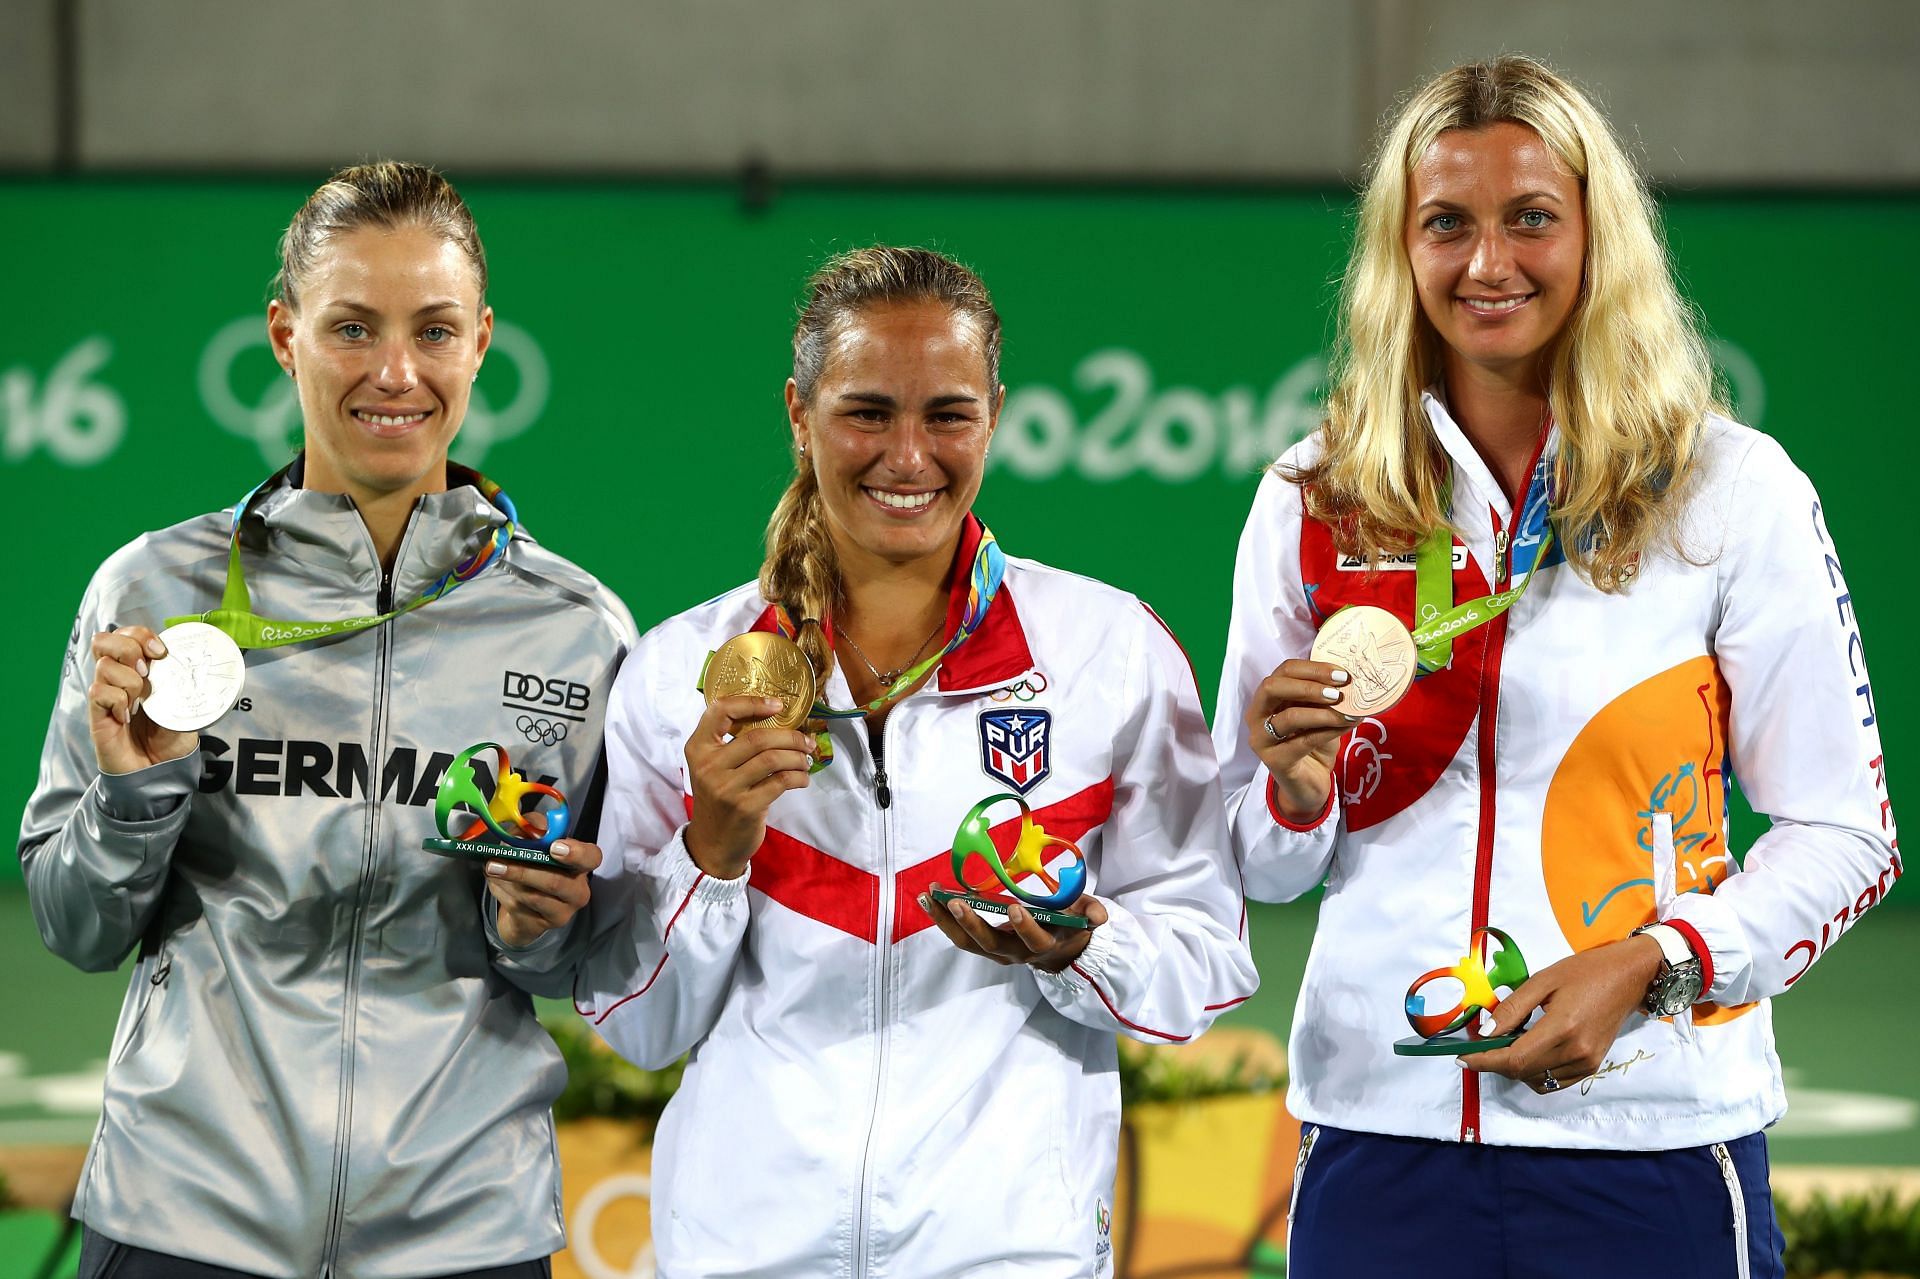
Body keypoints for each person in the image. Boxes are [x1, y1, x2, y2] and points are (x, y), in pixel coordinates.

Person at [1213, 56, 1895, 1279]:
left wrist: (1657, 962)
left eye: (1532, 216)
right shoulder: (1316, 496)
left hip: (1652, 1130)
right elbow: (1259, 862)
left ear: (1597, 236)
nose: (1490, 263)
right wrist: (1293, 791)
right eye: (1447, 224)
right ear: (1397, 251)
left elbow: (1848, 833)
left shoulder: (1728, 490)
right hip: (1382, 1129)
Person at [551, 245, 1257, 1277]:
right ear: (798, 412)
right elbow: (641, 1026)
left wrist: (1082, 953)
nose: (908, 453)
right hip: (746, 1252)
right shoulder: (678, 677)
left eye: (948, 414)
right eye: (867, 411)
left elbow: (1208, 960)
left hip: (1009, 1252)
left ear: (996, 416)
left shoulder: (1109, 652)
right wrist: (714, 845)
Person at [18, 162, 635, 1278]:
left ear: (482, 340)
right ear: (284, 332)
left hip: (463, 1228)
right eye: (352, 327)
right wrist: (134, 795)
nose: (394, 372)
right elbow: (74, 924)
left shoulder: (575, 629)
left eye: (433, 332)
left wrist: (539, 925)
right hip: (185, 1217)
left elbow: (584, 966)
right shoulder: (153, 593)